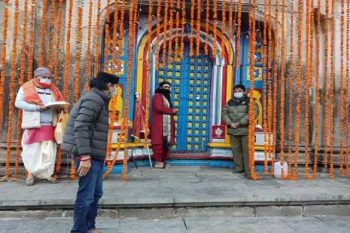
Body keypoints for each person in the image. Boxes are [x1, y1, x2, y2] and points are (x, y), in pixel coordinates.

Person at [62, 71, 119, 233]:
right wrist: (85, 156)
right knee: (86, 195)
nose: (116, 90)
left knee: (96, 192)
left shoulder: (98, 98)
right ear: (109, 86)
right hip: (87, 154)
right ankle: (79, 230)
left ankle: (89, 226)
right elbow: (81, 127)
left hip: (94, 154)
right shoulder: (93, 100)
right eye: (115, 87)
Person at [15, 67, 65, 186]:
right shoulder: (26, 88)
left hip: (49, 124)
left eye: (49, 78)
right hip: (34, 124)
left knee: (49, 151)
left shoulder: (54, 89)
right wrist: (37, 107)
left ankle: (47, 174)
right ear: (37, 77)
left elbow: (61, 102)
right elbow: (18, 103)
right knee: (32, 151)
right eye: (44, 77)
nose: (47, 79)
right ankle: (31, 174)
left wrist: (59, 107)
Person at [222, 84, 258, 178]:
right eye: (236, 91)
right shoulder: (230, 102)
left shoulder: (250, 101)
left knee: (247, 151)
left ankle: (248, 171)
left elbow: (253, 113)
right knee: (236, 150)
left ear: (244, 92)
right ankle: (239, 167)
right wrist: (230, 123)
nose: (238, 92)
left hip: (244, 130)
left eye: (240, 90)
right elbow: (224, 114)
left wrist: (240, 122)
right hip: (232, 129)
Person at [151, 81, 177, 169]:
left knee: (166, 143)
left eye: (169, 87)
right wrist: (171, 111)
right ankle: (158, 162)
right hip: (159, 124)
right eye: (165, 87)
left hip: (167, 124)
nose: (167, 89)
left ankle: (163, 161)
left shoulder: (166, 98)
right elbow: (159, 108)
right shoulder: (157, 96)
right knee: (159, 143)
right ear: (161, 87)